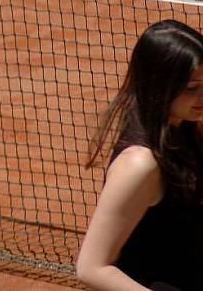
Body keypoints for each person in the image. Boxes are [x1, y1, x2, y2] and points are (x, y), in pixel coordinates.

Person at [76, 19, 203, 291]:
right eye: (192, 89)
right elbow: (91, 267)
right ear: (160, 85)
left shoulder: (185, 127)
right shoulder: (140, 164)